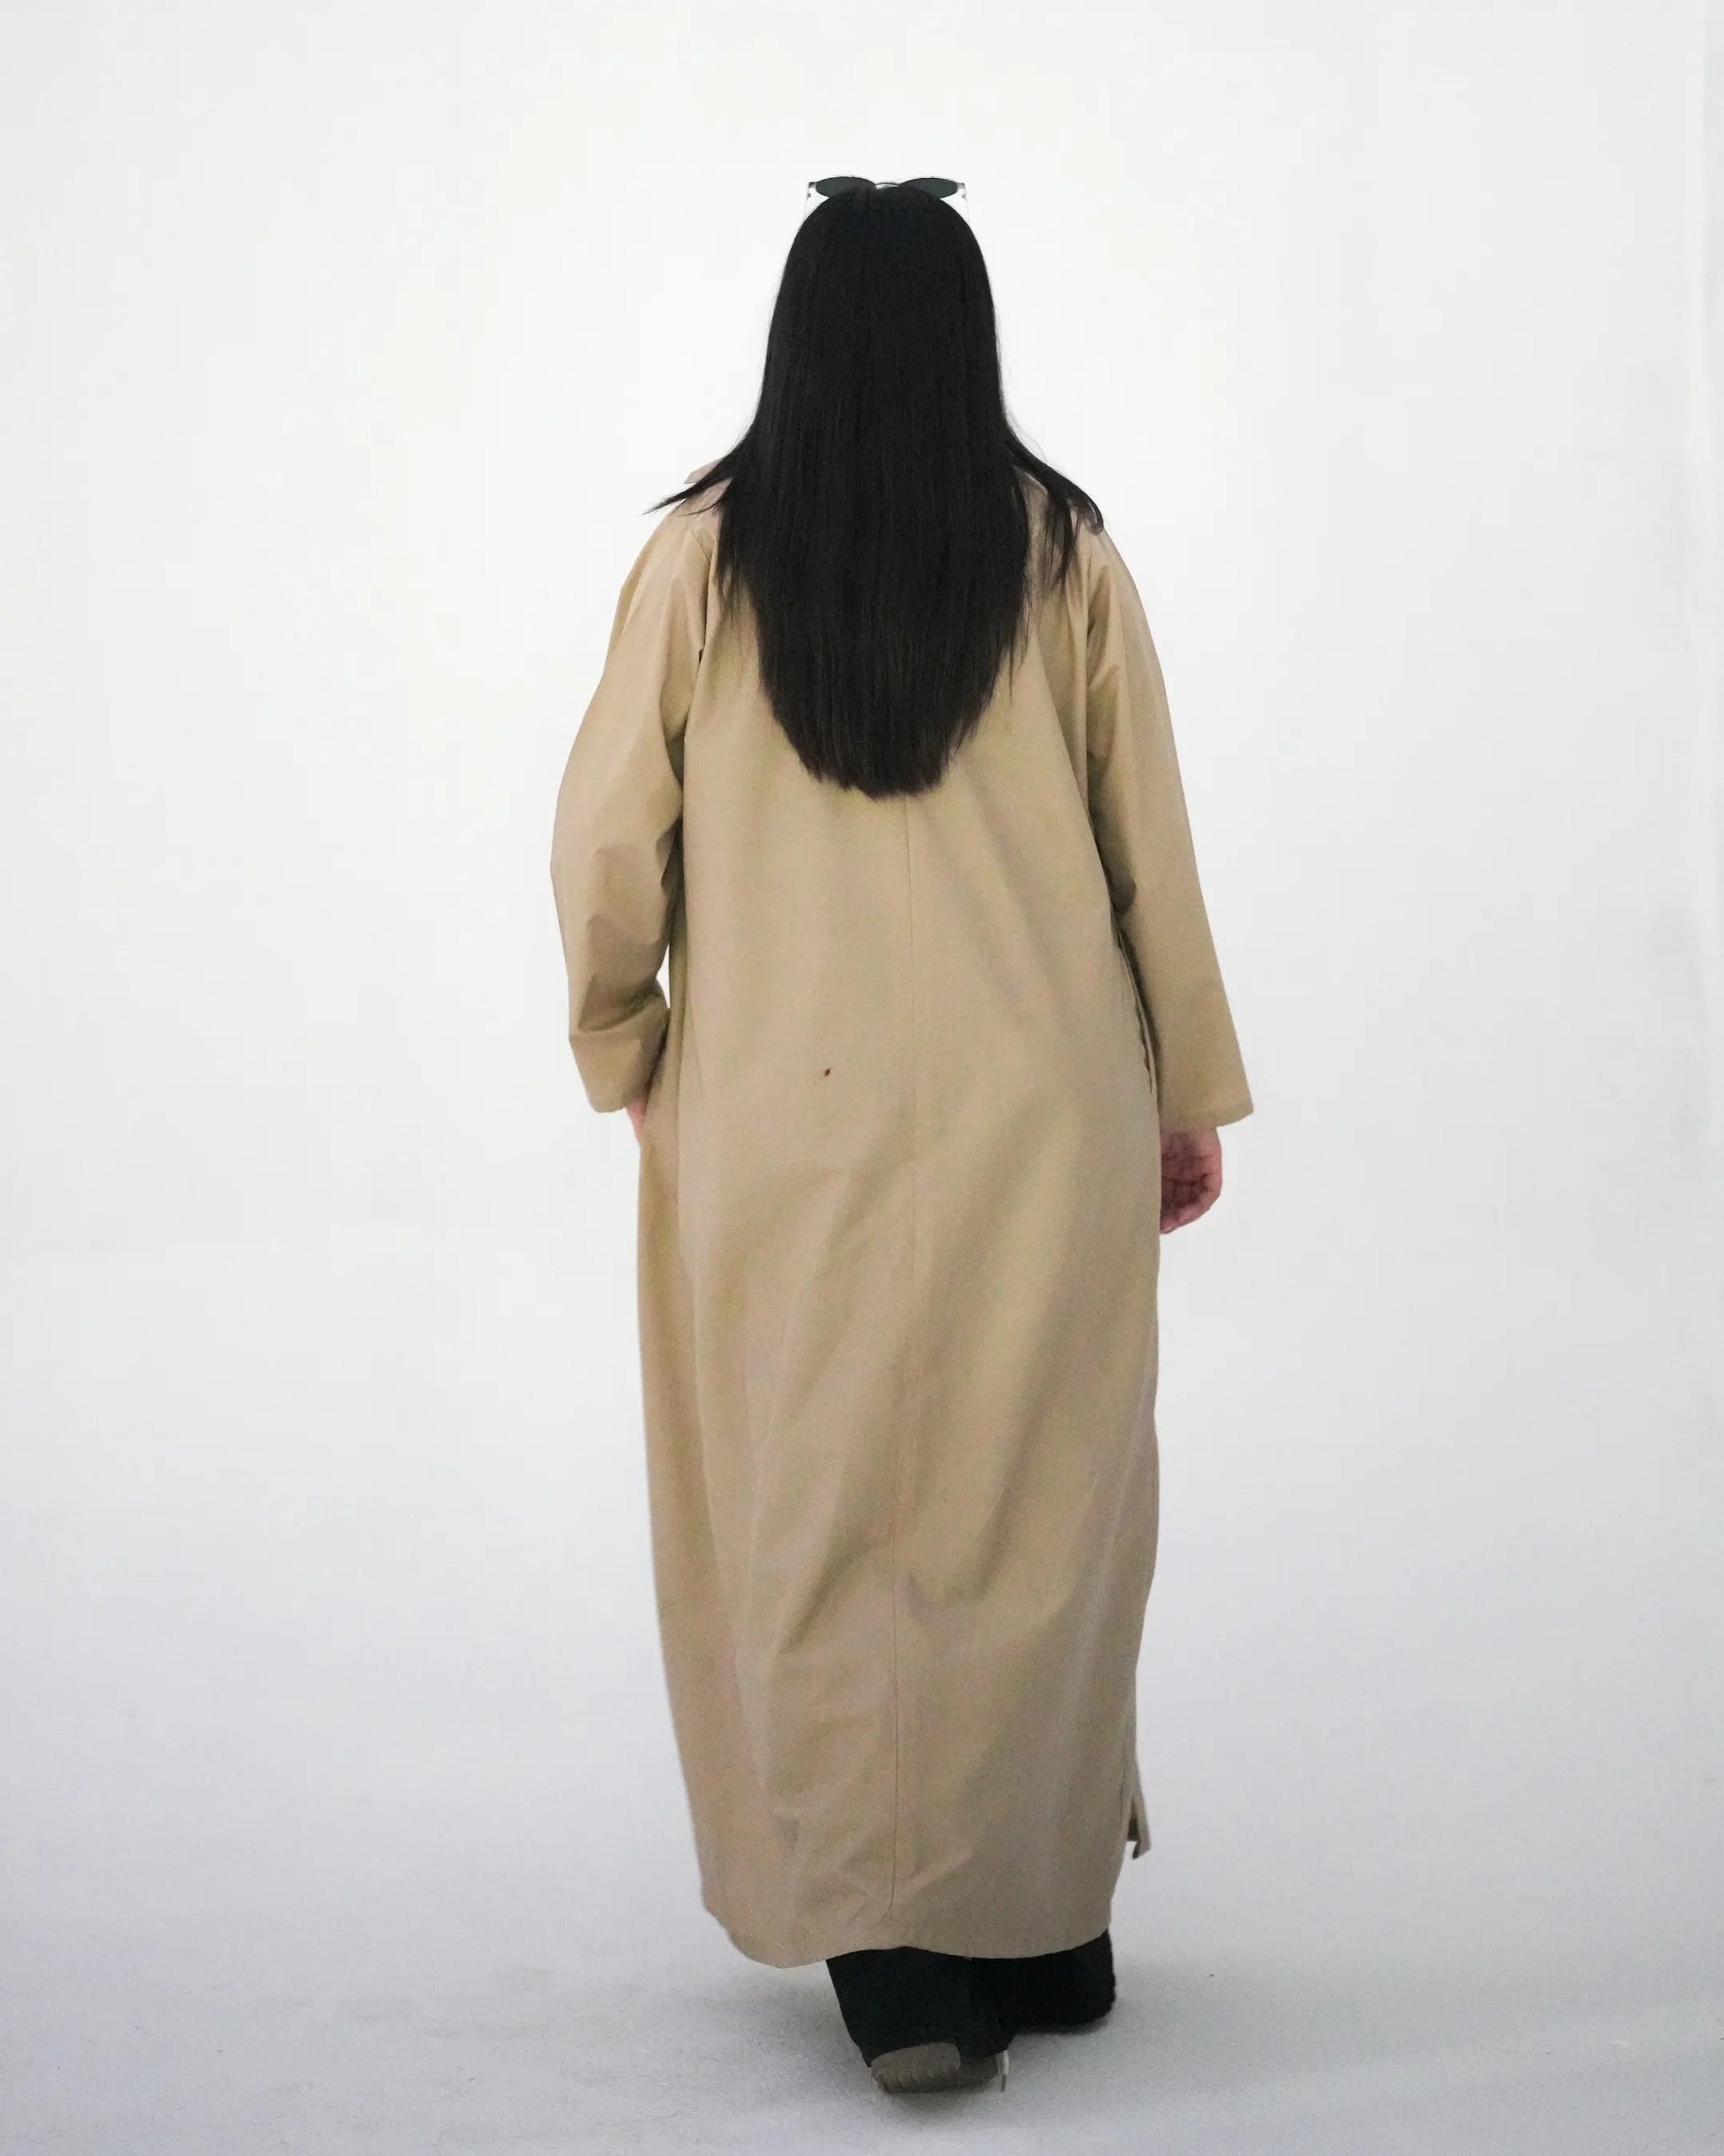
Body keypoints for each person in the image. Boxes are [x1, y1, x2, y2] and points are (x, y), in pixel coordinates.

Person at [549, 175, 1253, 2097]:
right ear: (965, 342)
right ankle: (1036, 1917)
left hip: (784, 1125)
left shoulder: (703, 563)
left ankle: (903, 1951)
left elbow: (605, 841)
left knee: (820, 1507)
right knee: (1040, 1506)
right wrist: (1181, 1087)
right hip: (1044, 1107)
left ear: (796, 343)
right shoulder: (1060, 553)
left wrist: (624, 1044)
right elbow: (1147, 848)